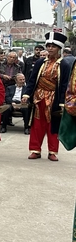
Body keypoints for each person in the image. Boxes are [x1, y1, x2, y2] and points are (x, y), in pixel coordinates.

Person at [23, 31, 70, 161]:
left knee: (53, 125)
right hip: (39, 97)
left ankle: (53, 152)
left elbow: (65, 84)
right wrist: (27, 94)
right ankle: (35, 150)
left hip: (54, 98)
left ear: (59, 48)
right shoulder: (40, 63)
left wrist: (62, 102)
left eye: (53, 46)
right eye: (48, 46)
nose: (50, 48)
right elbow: (32, 79)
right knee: (37, 125)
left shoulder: (64, 65)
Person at [0, 51, 22, 133]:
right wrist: (3, 76)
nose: (12, 59)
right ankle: (1, 121)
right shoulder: (0, 64)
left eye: (14, 58)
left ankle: (8, 120)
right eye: (10, 57)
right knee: (1, 103)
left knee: (9, 102)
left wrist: (14, 78)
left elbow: (20, 75)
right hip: (2, 85)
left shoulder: (18, 66)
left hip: (12, 86)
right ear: (7, 57)